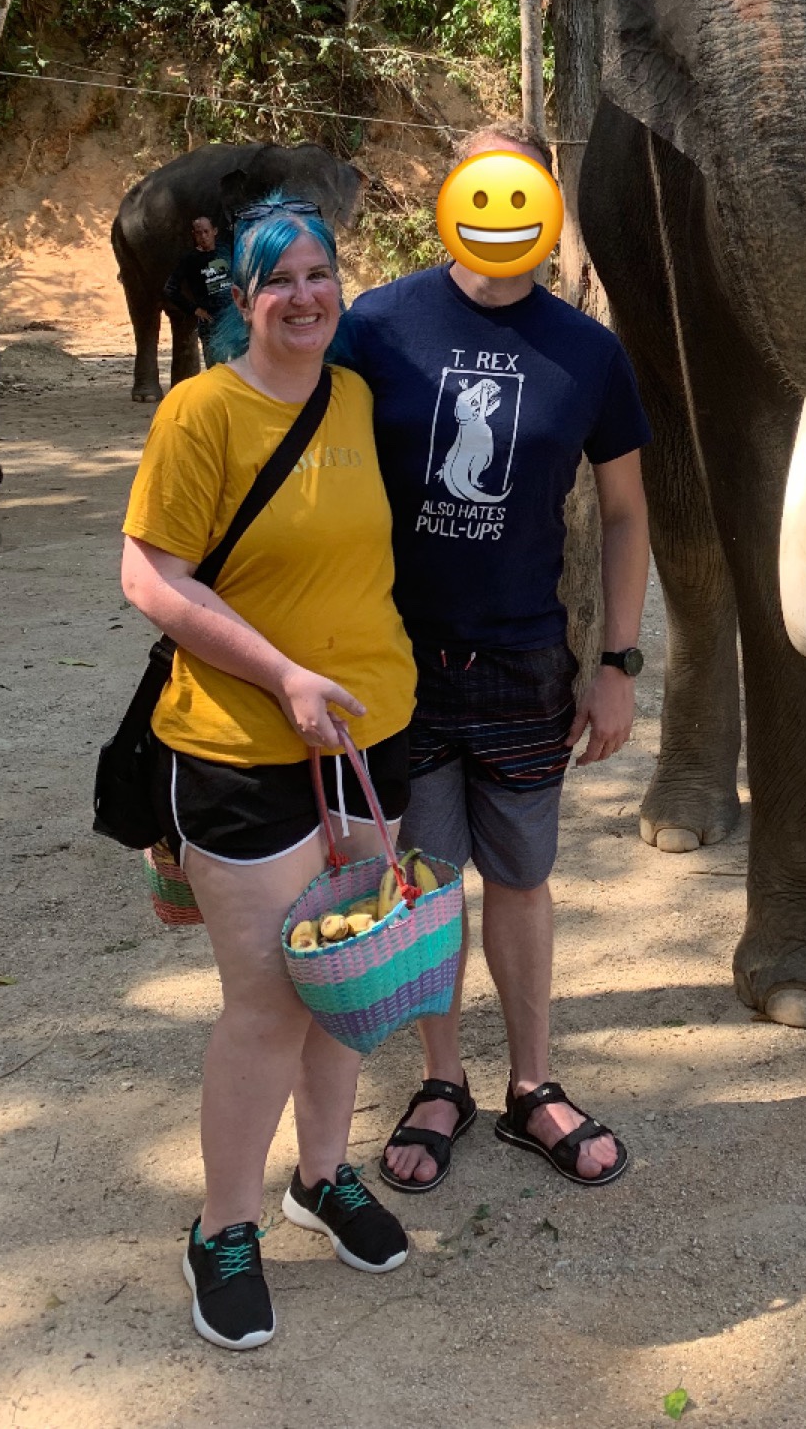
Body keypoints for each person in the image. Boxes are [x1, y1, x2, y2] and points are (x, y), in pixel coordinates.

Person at [120, 194, 417, 1351]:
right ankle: (224, 1228)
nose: (303, 295)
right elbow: (150, 578)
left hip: (369, 734)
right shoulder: (202, 411)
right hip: (241, 746)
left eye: (318, 273)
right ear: (241, 300)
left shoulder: (357, 398)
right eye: (277, 279)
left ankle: (324, 1176)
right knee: (268, 1002)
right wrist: (283, 674)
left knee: (348, 980)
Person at [333, 122, 651, 1194]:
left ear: (549, 208)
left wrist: (619, 661)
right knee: (425, 884)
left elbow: (625, 512)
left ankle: (530, 1084)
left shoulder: (588, 351)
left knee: (520, 876)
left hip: (524, 657)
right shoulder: (376, 326)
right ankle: (441, 1081)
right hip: (395, 662)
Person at [164, 215, 234, 360]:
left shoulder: (226, 250)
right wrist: (194, 309)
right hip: (210, 323)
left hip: (233, 318)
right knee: (217, 368)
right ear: (194, 235)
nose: (203, 236)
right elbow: (170, 289)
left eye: (206, 231)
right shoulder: (190, 259)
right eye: (198, 233)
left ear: (214, 231)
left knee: (240, 366)